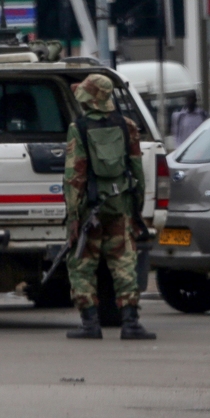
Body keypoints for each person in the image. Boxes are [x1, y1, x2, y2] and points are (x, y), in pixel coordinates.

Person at [62, 74, 156, 340]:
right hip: (120, 204)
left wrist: (73, 215)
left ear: (88, 99)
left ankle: (90, 324)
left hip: (89, 207)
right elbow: (137, 170)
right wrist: (134, 207)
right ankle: (131, 323)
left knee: (81, 264)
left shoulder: (78, 129)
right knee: (124, 261)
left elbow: (74, 176)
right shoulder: (127, 126)